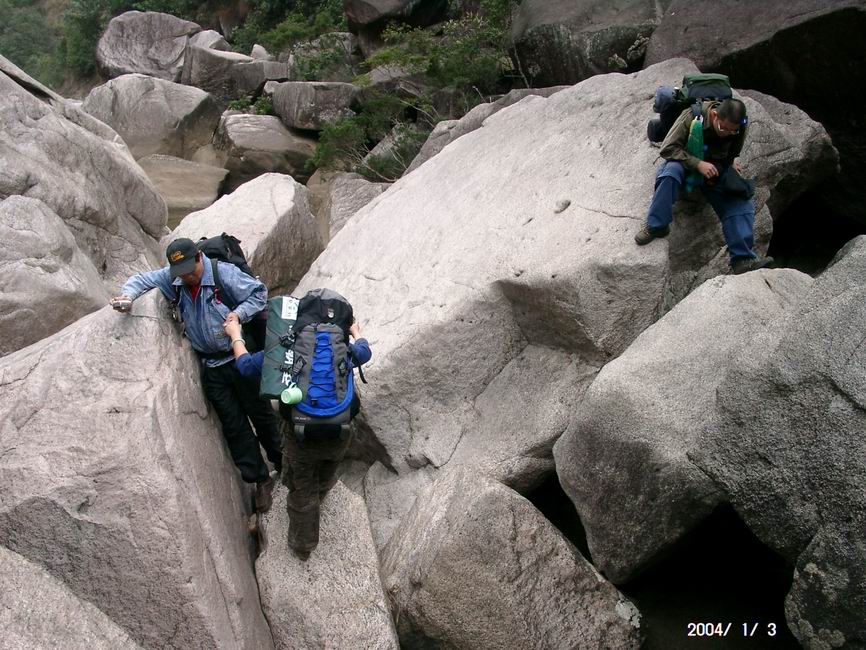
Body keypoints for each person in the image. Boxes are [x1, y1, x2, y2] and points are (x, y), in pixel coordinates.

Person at [110, 238, 281, 512]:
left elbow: (259, 294)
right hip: (212, 368)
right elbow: (142, 280)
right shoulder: (175, 279)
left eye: (191, 269)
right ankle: (259, 481)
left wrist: (237, 315)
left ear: (200, 257)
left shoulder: (223, 273)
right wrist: (127, 296)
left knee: (261, 415)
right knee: (235, 427)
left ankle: (283, 464)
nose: (188, 276)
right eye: (182, 272)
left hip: (240, 359)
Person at [223, 315, 371, 560]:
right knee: (326, 469)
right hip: (339, 434)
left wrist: (235, 335)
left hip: (301, 439)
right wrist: (356, 331)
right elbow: (365, 351)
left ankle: (303, 546)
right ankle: (320, 492)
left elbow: (245, 366)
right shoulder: (342, 348)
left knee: (302, 492)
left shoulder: (286, 348)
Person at [634, 97, 774, 274]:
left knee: (740, 199)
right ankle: (657, 225)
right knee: (669, 174)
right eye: (723, 128)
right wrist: (697, 164)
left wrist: (730, 162)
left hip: (716, 167)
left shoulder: (739, 126)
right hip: (685, 162)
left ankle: (742, 259)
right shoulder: (692, 116)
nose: (727, 133)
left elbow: (733, 151)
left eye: (732, 131)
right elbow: (668, 149)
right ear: (715, 115)